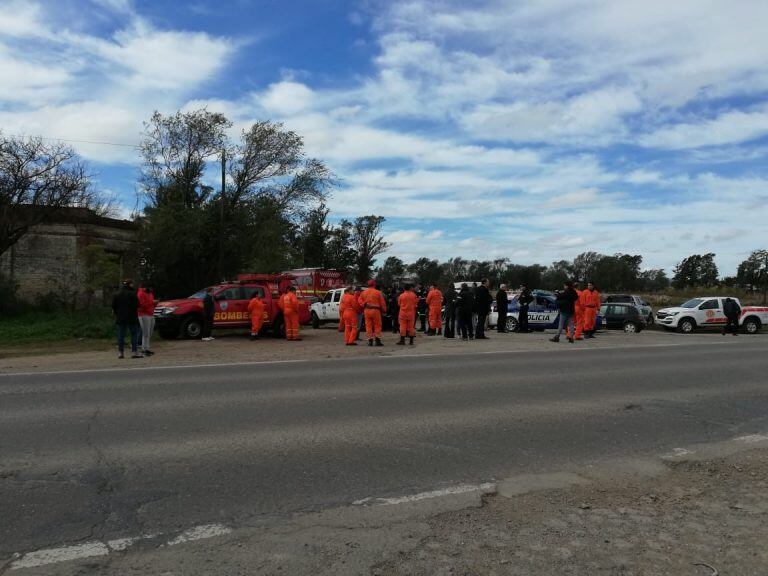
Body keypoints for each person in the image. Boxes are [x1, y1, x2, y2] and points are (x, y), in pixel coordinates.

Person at [112, 279, 141, 359]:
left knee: (121, 336)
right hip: (132, 317)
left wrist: (117, 313)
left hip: (120, 318)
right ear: (129, 284)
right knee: (134, 334)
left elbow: (113, 306)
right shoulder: (132, 294)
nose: (133, 285)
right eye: (132, 284)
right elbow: (138, 305)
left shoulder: (117, 294)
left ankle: (121, 353)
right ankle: (134, 352)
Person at [358, 280, 387, 346]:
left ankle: (370, 341)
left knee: (368, 325)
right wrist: (384, 310)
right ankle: (377, 340)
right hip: (376, 310)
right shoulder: (378, 292)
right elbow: (382, 303)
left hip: (367, 310)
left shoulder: (363, 292)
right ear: (374, 284)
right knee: (377, 325)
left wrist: (363, 304)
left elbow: (359, 300)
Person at [137, 284, 156, 356]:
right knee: (146, 333)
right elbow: (142, 305)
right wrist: (152, 303)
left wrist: (155, 304)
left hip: (151, 313)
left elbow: (151, 304)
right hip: (144, 314)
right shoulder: (140, 294)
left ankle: (147, 348)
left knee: (150, 332)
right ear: (145, 287)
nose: (151, 289)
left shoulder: (150, 293)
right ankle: (144, 349)